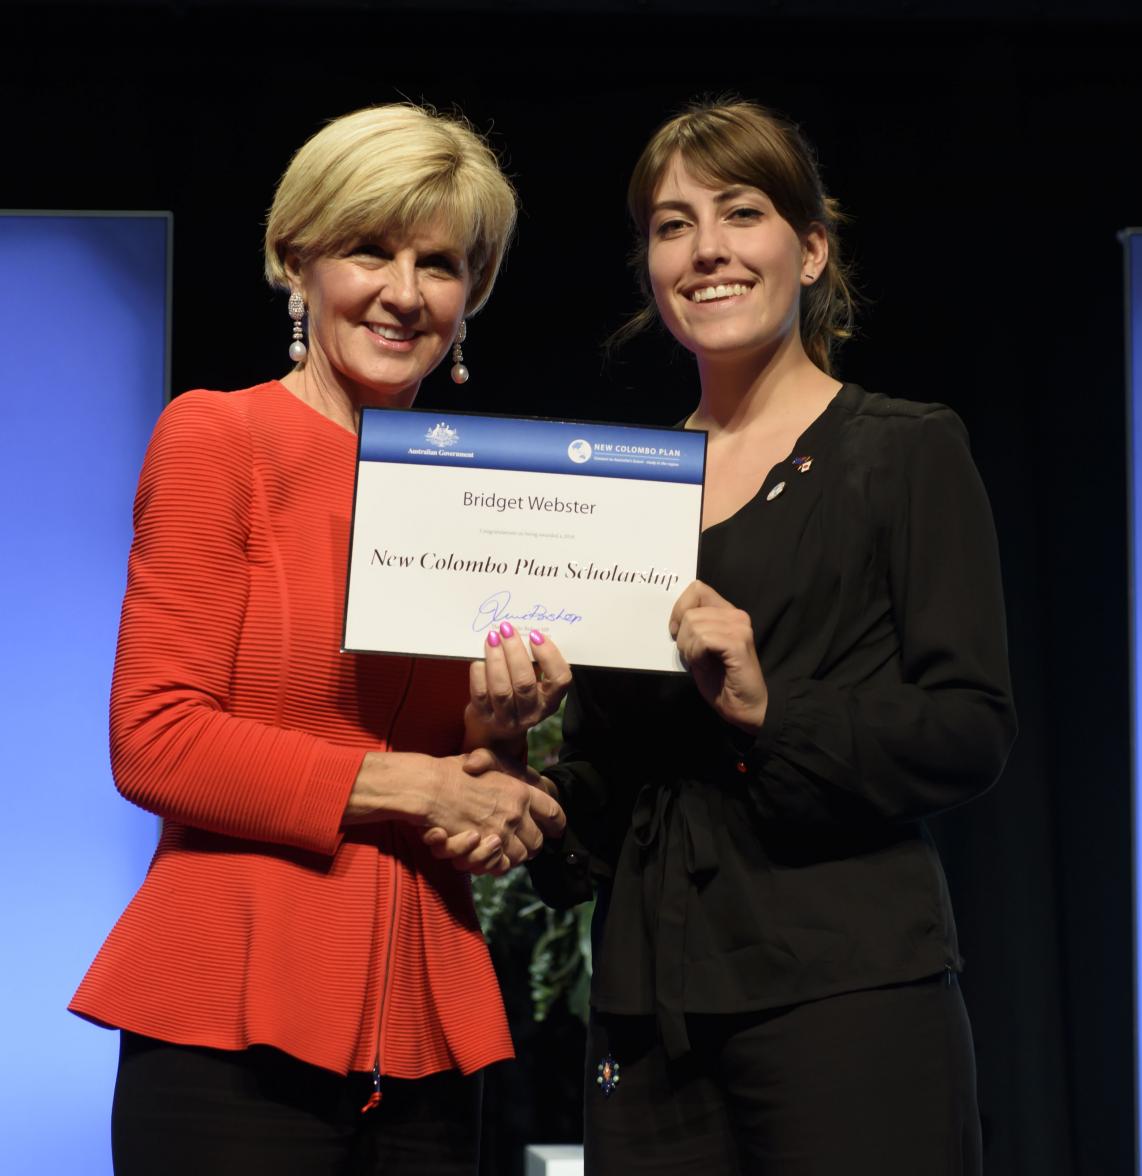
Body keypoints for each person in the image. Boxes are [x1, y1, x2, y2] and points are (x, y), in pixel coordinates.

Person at [70, 103, 569, 1176]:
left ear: (471, 296)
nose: (403, 290)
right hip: (226, 1025)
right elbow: (155, 738)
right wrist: (422, 788)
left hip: (427, 1033)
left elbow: (465, 789)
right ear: (296, 261)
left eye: (439, 263)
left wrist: (497, 746)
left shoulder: (481, 496)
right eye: (367, 250)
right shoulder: (221, 436)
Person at [529, 99, 1018, 1175]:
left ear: (810, 250)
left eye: (740, 213)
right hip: (648, 1009)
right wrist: (530, 796)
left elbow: (971, 730)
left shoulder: (903, 452)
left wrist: (769, 704)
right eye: (671, 224)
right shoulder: (620, 491)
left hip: (844, 991)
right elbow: (613, 775)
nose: (706, 249)